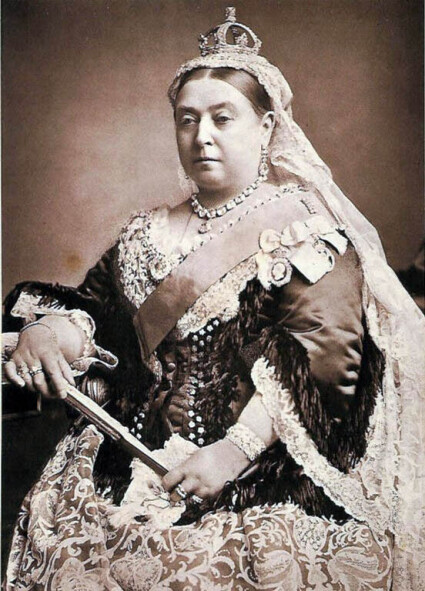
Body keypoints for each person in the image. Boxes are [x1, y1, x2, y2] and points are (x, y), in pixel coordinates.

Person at [3, 8, 424, 590]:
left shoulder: (304, 232)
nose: (202, 136)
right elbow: (101, 314)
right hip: (134, 456)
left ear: (267, 127)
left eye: (223, 118)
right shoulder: (146, 232)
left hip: (259, 467)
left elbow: (325, 359)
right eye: (187, 119)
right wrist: (51, 332)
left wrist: (232, 453)